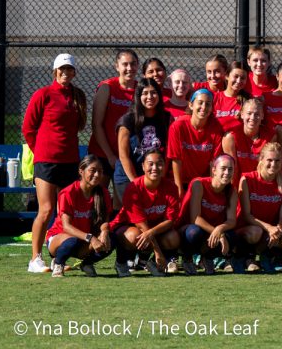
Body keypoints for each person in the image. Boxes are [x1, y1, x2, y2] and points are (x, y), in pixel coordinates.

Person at [23, 52, 87, 274]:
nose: (65, 73)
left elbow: (77, 127)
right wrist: (40, 151)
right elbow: (28, 128)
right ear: (55, 71)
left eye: (69, 69)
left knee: (64, 212)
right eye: (62, 69)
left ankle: (58, 258)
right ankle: (35, 259)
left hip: (70, 161)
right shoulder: (43, 94)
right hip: (47, 162)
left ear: (74, 72)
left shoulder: (77, 96)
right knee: (46, 209)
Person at [111, 148, 181, 277]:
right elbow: (141, 225)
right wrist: (157, 251)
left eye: (159, 163)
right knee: (134, 236)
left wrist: (151, 232)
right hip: (129, 227)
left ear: (165, 166)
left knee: (173, 238)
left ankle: (150, 263)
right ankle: (121, 262)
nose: (155, 168)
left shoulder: (171, 187)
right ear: (143, 166)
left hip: (152, 230)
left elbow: (170, 220)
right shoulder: (133, 188)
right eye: (150, 164)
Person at [45, 154, 112, 277]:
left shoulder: (103, 193)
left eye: (100, 171)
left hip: (83, 240)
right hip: (61, 238)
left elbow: (105, 221)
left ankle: (87, 263)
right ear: (81, 171)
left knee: (111, 240)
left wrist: (105, 232)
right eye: (93, 170)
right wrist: (91, 238)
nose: (97, 175)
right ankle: (58, 263)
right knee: (72, 240)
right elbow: (66, 227)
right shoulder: (68, 192)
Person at [236, 141, 282, 274]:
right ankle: (245, 257)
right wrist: (269, 228)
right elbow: (246, 215)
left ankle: (268, 257)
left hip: (269, 230)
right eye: (269, 160)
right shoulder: (247, 179)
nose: (273, 164)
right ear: (261, 159)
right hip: (248, 228)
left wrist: (278, 229)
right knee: (255, 232)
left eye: (277, 160)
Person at [178, 153, 239, 275]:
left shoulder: (232, 191)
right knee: (194, 232)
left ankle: (207, 258)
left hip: (211, 231)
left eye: (230, 169)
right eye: (223, 168)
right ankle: (187, 258)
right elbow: (195, 218)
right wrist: (218, 234)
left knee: (232, 236)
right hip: (189, 229)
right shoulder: (199, 184)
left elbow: (232, 221)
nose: (227, 172)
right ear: (214, 170)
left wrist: (220, 229)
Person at [114, 77, 173, 199]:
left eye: (153, 92)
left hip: (153, 174)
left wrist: (161, 176)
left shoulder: (166, 118)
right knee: (133, 215)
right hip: (128, 177)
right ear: (138, 96)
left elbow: (168, 150)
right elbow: (123, 156)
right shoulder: (127, 121)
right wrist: (135, 183)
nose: (150, 97)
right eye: (145, 93)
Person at [90, 49, 138, 188]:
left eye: (133, 64)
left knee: (124, 201)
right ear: (117, 66)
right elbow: (96, 124)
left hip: (127, 157)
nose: (129, 68)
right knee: (98, 198)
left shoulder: (140, 90)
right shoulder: (107, 87)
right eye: (125, 64)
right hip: (103, 154)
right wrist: (110, 155)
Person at [166, 87, 224, 194]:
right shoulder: (178, 126)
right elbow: (176, 160)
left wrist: (211, 188)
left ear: (212, 108)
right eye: (200, 103)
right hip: (179, 180)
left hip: (200, 182)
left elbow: (213, 162)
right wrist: (179, 189)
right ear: (191, 105)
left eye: (208, 104)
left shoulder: (216, 128)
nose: (203, 107)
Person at [222, 97, 281, 180]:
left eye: (257, 114)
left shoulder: (270, 137)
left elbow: (266, 168)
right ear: (242, 114)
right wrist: (235, 191)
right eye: (249, 113)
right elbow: (232, 169)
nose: (252, 117)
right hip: (237, 183)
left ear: (262, 116)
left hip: (258, 184)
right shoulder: (231, 137)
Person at [212, 61, 249, 133]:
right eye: (235, 76)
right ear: (227, 76)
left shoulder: (248, 100)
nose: (238, 81)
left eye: (243, 78)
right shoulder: (214, 98)